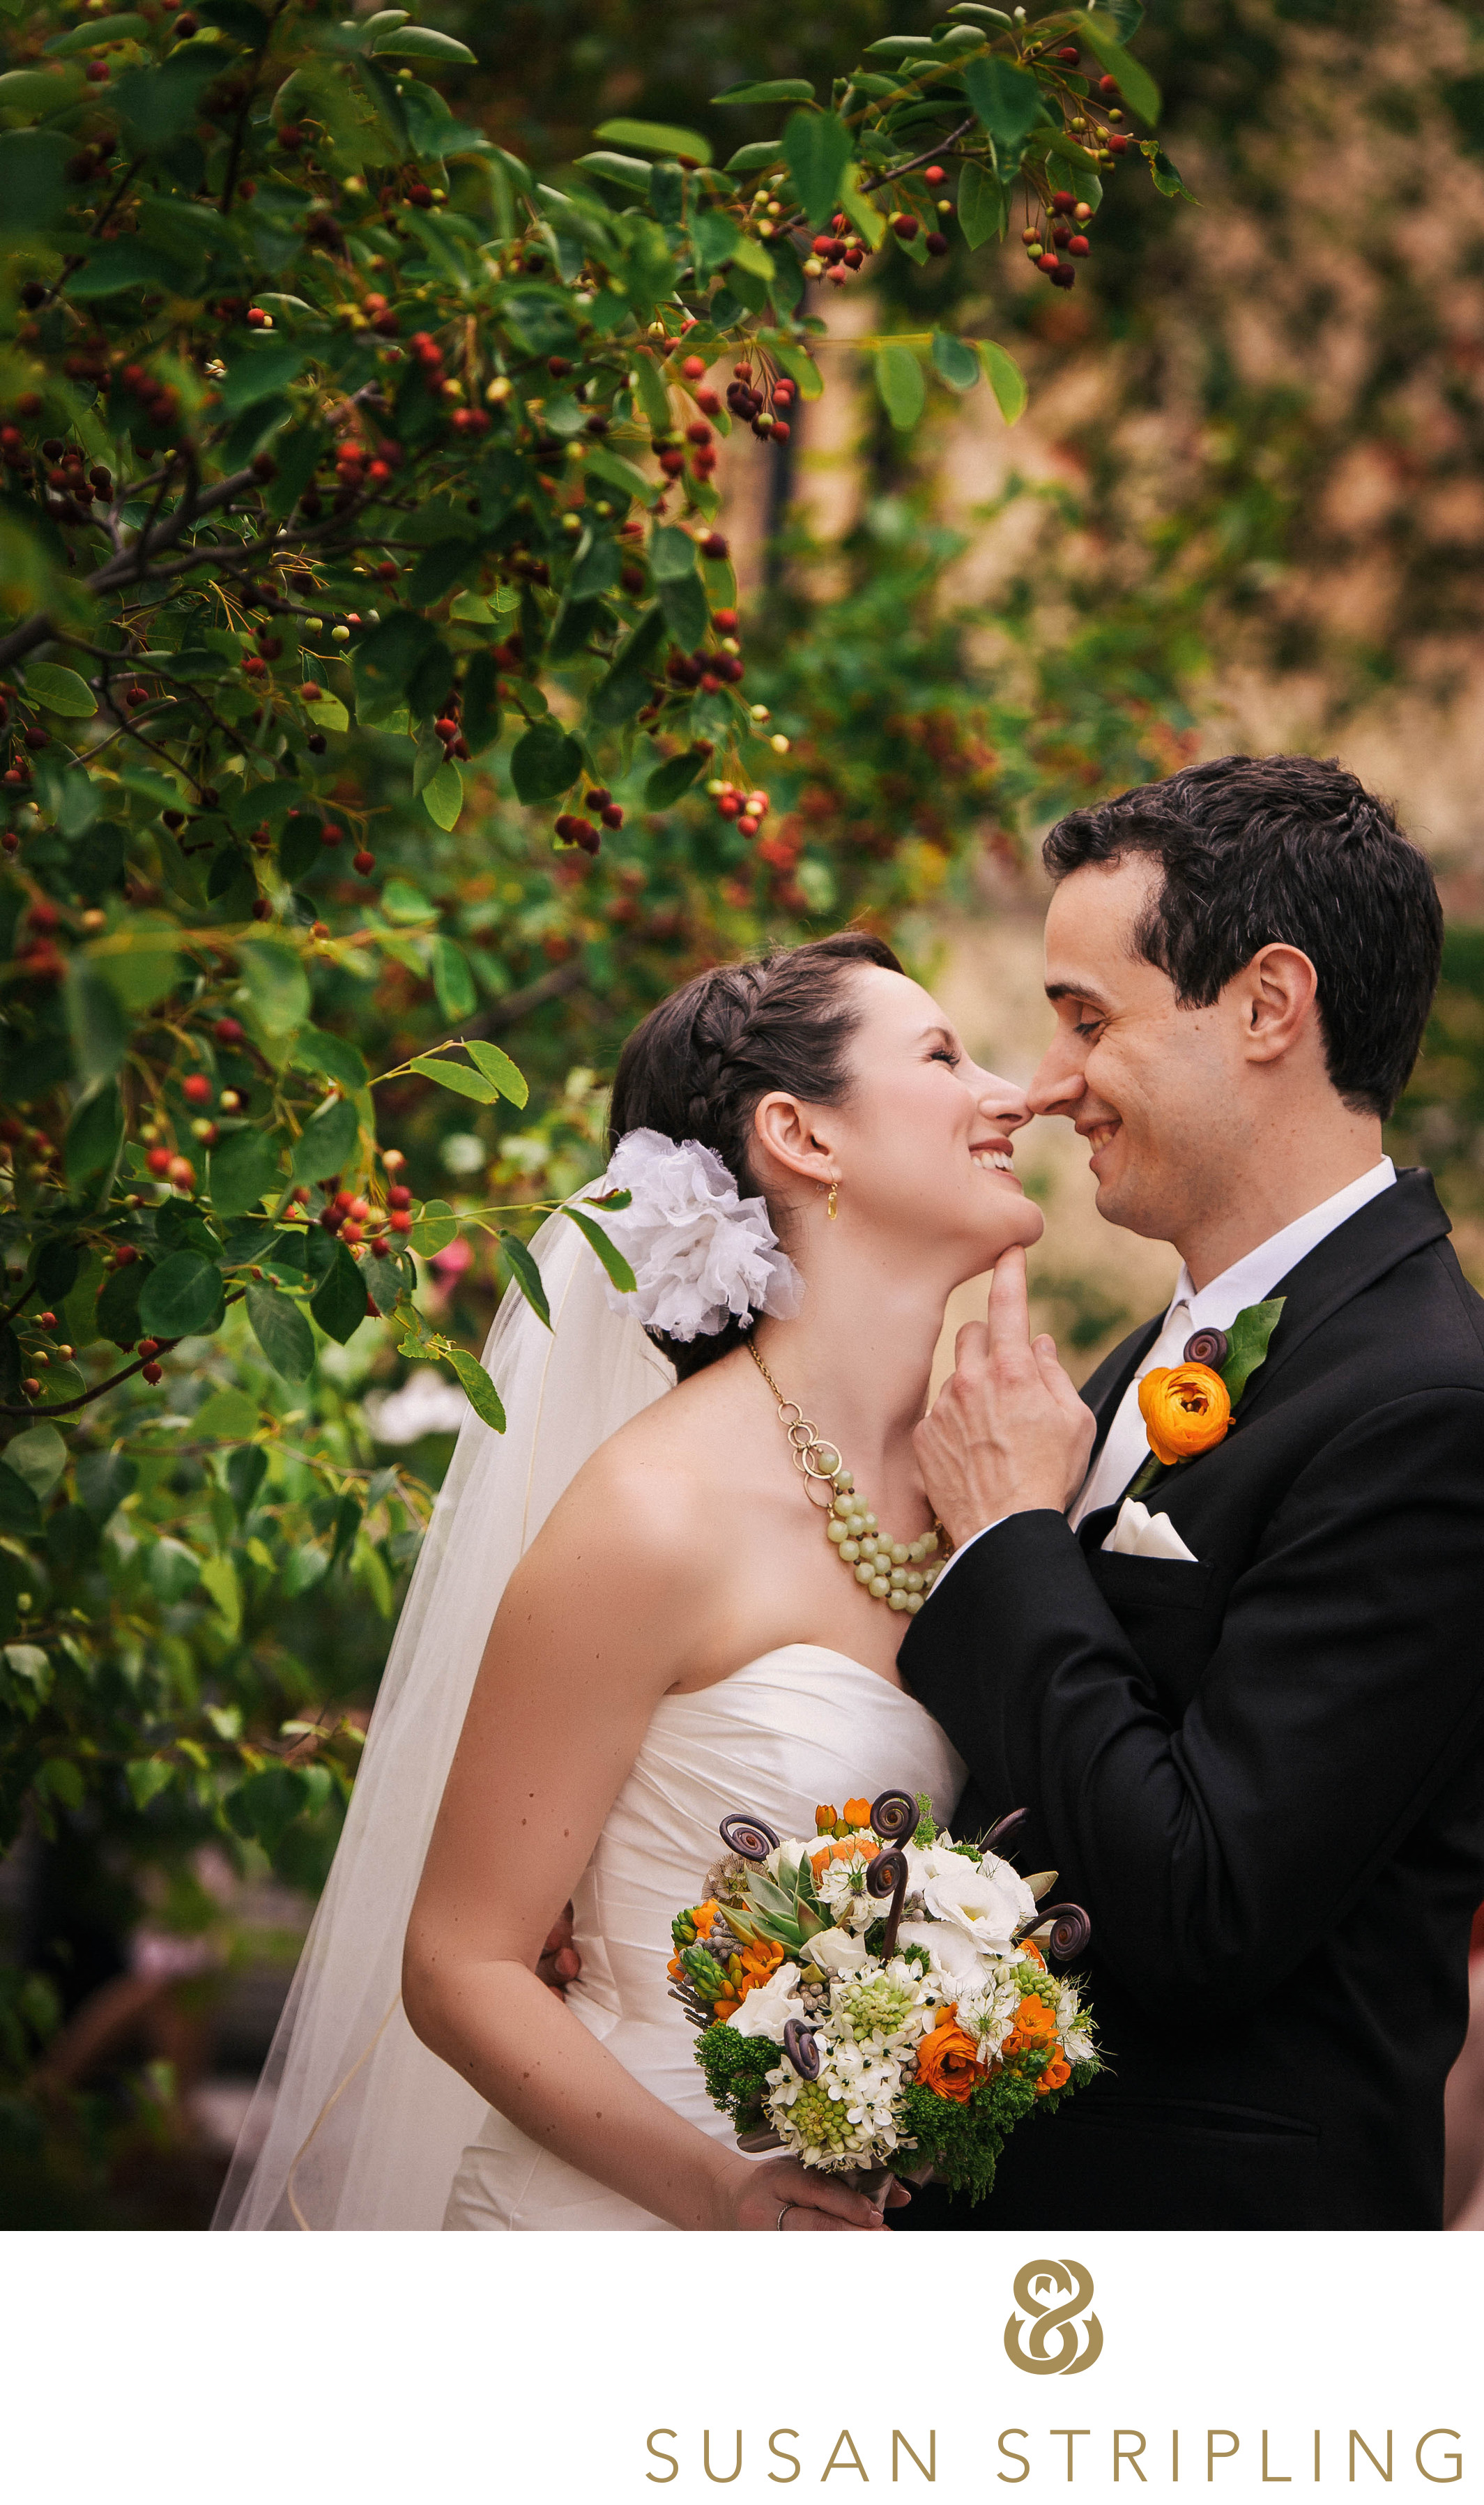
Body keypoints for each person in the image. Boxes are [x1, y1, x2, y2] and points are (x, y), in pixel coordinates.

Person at [215, 932, 1045, 2230]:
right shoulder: (657, 1511)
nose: (1013, 1093)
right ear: (803, 1137)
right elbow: (459, 1963)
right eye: (945, 1056)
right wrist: (720, 2192)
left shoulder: (997, 1492)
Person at [896, 752, 1484, 2231]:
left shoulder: (1429, 1408)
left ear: (1269, 1006)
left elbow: (1200, 1906)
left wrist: (1021, 1537)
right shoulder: (1140, 1363)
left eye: (1090, 1020)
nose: (1048, 1085)